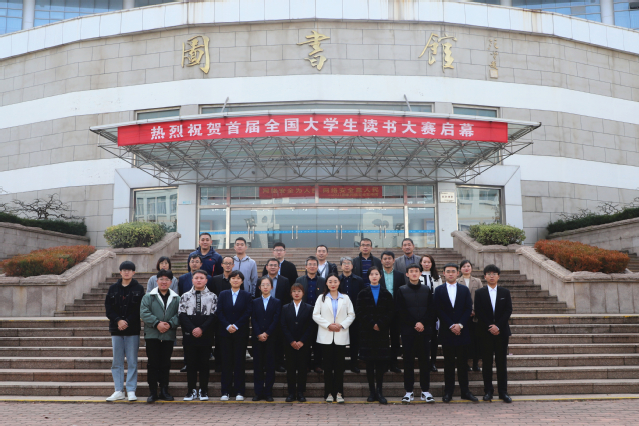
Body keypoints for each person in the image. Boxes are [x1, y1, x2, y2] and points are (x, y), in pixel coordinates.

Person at [433, 263, 477, 403]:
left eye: (453, 271)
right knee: (449, 364)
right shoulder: (439, 290)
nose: (451, 274)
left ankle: (465, 391)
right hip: (447, 331)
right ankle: (448, 392)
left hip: (462, 331)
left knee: (463, 364)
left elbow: (468, 308)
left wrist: (460, 325)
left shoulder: (464, 289)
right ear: (444, 273)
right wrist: (451, 325)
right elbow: (438, 309)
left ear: (458, 273)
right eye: (448, 271)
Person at [312, 273, 356, 404]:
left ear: (339, 283)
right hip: (326, 336)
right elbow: (315, 315)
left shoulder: (345, 298)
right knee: (327, 367)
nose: (333, 284)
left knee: (339, 367)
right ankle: (328, 393)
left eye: (335, 281)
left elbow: (351, 314)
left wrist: (341, 325)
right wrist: (328, 325)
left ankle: (339, 392)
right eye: (330, 281)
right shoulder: (321, 298)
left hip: (340, 335)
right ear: (326, 283)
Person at [105, 260, 144, 402]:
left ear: (134, 272)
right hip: (116, 329)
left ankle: (131, 390)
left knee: (132, 361)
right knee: (117, 361)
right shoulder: (113, 288)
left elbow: (139, 309)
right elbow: (108, 308)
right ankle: (118, 390)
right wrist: (118, 321)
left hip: (132, 330)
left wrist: (126, 321)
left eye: (129, 270)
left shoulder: (139, 288)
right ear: (120, 272)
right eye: (124, 270)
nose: (126, 272)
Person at [395, 263, 435, 404]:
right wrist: (414, 323)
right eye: (411, 271)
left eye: (416, 271)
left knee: (425, 362)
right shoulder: (401, 290)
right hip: (408, 332)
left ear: (420, 273)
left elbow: (431, 309)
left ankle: (425, 391)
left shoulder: (426, 289)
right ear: (407, 274)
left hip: (424, 332)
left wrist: (422, 323)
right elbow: (400, 311)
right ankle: (409, 391)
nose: (413, 273)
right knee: (408, 362)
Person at [474, 264, 513, 403]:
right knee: (487, 363)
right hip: (485, 332)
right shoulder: (479, 293)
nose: (492, 276)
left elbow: (508, 310)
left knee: (501, 363)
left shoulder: (505, 292)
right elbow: (478, 311)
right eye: (489, 274)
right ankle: (488, 391)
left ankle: (503, 392)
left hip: (502, 332)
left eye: (494, 274)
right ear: (485, 276)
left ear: (498, 276)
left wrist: (498, 326)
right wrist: (490, 326)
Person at [140, 269, 180, 403]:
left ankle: (164, 390)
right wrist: (157, 323)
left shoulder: (176, 298)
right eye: (161, 279)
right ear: (156, 281)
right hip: (152, 335)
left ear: (171, 282)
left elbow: (180, 314)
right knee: (152, 363)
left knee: (165, 363)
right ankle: (152, 392)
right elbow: (144, 312)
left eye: (167, 279)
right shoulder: (148, 297)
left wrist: (170, 324)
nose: (164, 282)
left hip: (168, 335)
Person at [356, 266, 394, 405]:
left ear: (380, 276)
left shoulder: (386, 293)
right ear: (368, 277)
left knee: (380, 363)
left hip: (382, 333)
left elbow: (390, 312)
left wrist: (380, 324)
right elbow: (359, 311)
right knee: (369, 363)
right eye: (371, 274)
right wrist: (372, 324)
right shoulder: (362, 293)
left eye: (376, 274)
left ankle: (379, 391)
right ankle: (372, 392)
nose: (374, 276)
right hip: (368, 333)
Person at [179, 269, 218, 401]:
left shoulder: (213, 296)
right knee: (191, 364)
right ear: (192, 280)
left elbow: (213, 315)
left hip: (206, 334)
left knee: (204, 364)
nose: (199, 280)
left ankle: (203, 390)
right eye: (196, 278)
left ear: (206, 280)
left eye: (202, 278)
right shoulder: (185, 296)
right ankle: (191, 390)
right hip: (189, 335)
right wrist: (193, 329)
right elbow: (182, 315)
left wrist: (201, 328)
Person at [217, 270, 253, 401]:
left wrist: (236, 326)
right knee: (226, 362)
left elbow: (248, 312)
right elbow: (219, 311)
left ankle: (239, 391)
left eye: (238, 278)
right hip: (225, 333)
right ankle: (225, 391)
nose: (235, 280)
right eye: (233, 278)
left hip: (240, 333)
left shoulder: (246, 295)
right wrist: (227, 326)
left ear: (242, 281)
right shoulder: (223, 294)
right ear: (229, 280)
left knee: (239, 362)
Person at [281, 283, 314, 402]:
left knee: (302, 368)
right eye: (294, 291)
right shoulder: (285, 308)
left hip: (303, 344)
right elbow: (283, 325)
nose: (296, 293)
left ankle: (300, 392)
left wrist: (302, 341)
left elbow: (311, 326)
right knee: (290, 368)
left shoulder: (309, 308)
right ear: (291, 293)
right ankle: (291, 393)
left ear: (303, 293)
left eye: (299, 291)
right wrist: (291, 341)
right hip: (289, 343)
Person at [251, 276, 282, 401]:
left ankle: (268, 392)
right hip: (257, 338)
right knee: (257, 365)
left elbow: (276, 319)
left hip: (271, 338)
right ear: (259, 287)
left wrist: (267, 333)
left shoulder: (277, 302)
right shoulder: (254, 302)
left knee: (270, 365)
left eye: (267, 285)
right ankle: (258, 392)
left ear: (272, 287)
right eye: (263, 285)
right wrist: (259, 333)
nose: (265, 287)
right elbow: (253, 319)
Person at [260, 258, 292, 372]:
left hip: (280, 314)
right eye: (270, 265)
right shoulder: (261, 280)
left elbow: (287, 298)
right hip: (264, 314)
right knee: (265, 341)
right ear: (266, 267)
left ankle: (279, 363)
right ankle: (265, 364)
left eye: (275, 265)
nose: (273, 267)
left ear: (279, 268)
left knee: (279, 340)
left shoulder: (285, 280)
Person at [295, 256, 326, 373]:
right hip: (304, 314)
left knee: (318, 341)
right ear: (306, 266)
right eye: (310, 264)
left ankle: (317, 364)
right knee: (305, 340)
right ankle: (306, 364)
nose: (312, 266)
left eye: (314, 264)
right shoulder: (299, 280)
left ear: (317, 267)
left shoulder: (323, 280)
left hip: (320, 314)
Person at [209, 256, 237, 373]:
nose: (228, 265)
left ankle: (233, 365)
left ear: (233, 265)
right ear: (222, 265)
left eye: (230, 263)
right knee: (219, 341)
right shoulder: (215, 279)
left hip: (234, 316)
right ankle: (219, 364)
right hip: (218, 315)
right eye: (226, 263)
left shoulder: (236, 279)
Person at [379, 250, 404, 373]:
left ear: (394, 260)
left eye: (389, 258)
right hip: (381, 312)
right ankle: (383, 364)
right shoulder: (377, 274)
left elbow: (402, 292)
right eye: (385, 258)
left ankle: (394, 364)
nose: (387, 261)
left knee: (395, 339)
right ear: (381, 261)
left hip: (396, 312)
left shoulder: (400, 275)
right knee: (382, 339)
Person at [338, 256, 363, 374]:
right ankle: (341, 364)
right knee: (341, 341)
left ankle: (354, 364)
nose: (347, 265)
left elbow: (362, 297)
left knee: (355, 341)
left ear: (352, 266)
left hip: (355, 315)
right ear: (341, 266)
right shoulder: (337, 280)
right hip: (340, 316)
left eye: (349, 263)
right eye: (344, 263)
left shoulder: (359, 280)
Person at [458, 260, 484, 372]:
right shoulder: (457, 281)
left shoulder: (477, 281)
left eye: (468, 266)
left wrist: (474, 310)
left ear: (471, 268)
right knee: (464, 341)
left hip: (475, 316)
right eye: (464, 266)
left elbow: (481, 297)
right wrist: (466, 311)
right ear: (460, 269)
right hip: (462, 316)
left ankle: (475, 363)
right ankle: (465, 363)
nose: (466, 268)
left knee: (476, 340)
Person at [420, 254, 442, 373]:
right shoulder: (417, 275)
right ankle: (423, 361)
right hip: (421, 310)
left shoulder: (437, 277)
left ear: (432, 264)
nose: (426, 264)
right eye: (424, 262)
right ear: (421, 263)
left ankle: (432, 362)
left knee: (434, 338)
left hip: (434, 311)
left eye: (429, 262)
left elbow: (440, 294)